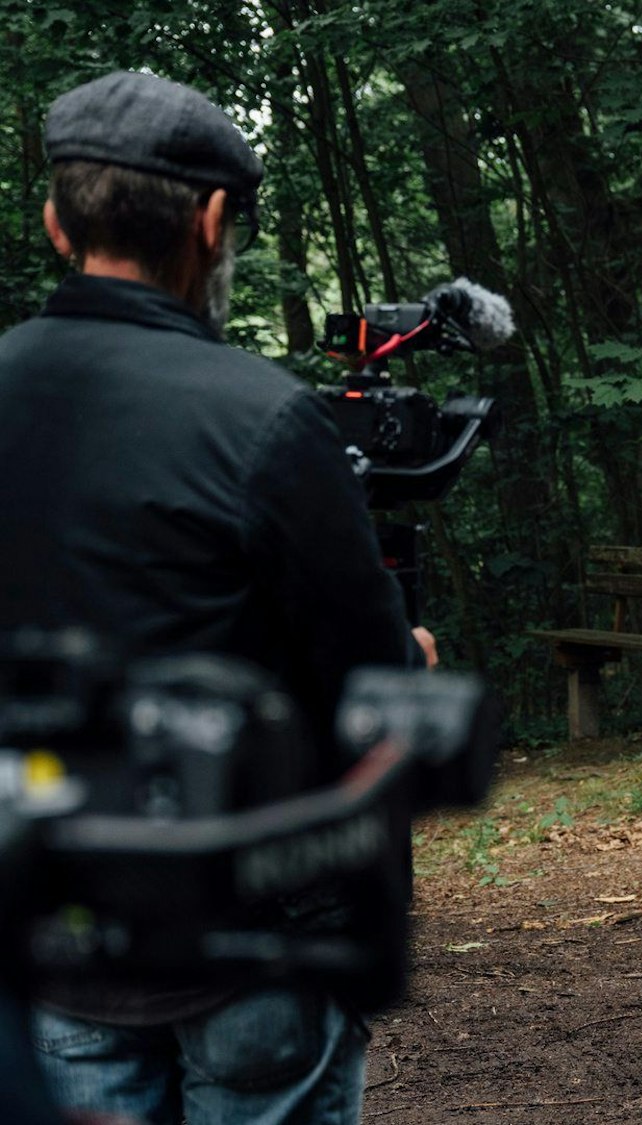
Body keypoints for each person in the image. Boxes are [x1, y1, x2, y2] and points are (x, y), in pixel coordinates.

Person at [0, 71, 432, 1124]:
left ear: (57, 222)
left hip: (58, 923)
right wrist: (412, 664)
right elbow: (368, 685)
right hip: (259, 929)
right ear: (210, 221)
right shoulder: (264, 419)